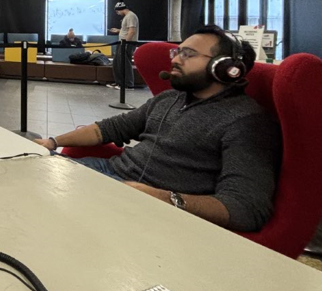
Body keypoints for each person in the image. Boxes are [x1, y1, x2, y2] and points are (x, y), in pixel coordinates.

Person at [35, 26, 280, 233]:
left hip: (152, 205)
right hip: (109, 173)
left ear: (225, 67)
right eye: (177, 51)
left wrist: (165, 198)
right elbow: (111, 128)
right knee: (30, 170)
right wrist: (52, 142)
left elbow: (247, 207)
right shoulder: (170, 98)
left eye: (188, 54)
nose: (174, 59)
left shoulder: (246, 121)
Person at [109, 1, 139, 90]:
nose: (117, 13)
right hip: (122, 42)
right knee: (117, 63)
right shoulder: (127, 16)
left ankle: (128, 84)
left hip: (127, 43)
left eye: (117, 11)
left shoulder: (131, 16)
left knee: (125, 63)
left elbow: (132, 31)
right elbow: (127, 30)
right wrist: (118, 31)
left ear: (120, 9)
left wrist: (125, 43)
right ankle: (119, 82)